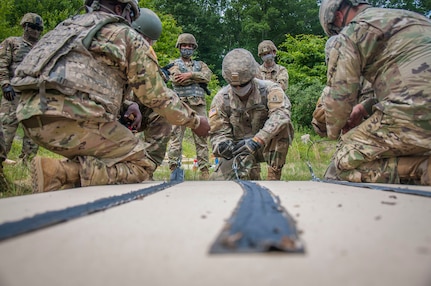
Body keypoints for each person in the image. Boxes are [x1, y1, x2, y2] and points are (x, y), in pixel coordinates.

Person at [11, 0, 210, 193]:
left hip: (29, 117)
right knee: (142, 165)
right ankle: (62, 173)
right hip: (72, 119)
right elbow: (158, 97)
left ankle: (68, 177)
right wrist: (195, 121)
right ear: (121, 9)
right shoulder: (125, 34)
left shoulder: (67, 27)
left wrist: (127, 104)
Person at [318, 0, 431, 185]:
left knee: (342, 161)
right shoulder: (415, 18)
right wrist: (363, 108)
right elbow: (412, 80)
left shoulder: (353, 31)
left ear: (338, 17)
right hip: (416, 110)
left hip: (413, 114)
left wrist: (335, 130)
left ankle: (423, 169)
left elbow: (340, 97)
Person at [209, 48, 294, 180]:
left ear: (253, 76)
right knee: (218, 183)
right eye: (234, 86)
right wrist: (223, 145)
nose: (239, 89)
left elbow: (281, 115)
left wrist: (257, 140)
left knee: (284, 127)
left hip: (263, 145)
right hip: (239, 149)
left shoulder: (270, 89)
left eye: (243, 84)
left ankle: (274, 175)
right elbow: (217, 132)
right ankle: (250, 175)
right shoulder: (221, 99)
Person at [124, 7, 171, 170]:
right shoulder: (115, 48)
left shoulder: (144, 54)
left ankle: (146, 167)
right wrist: (128, 104)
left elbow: (154, 89)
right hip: (113, 109)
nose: (149, 45)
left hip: (134, 108)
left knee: (161, 112)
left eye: (151, 41)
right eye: (145, 39)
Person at [166, 33, 212, 180]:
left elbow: (208, 76)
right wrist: (195, 77)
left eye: (190, 46)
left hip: (198, 105)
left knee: (202, 139)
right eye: (184, 46)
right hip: (180, 105)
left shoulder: (201, 64)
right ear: (179, 47)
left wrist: (190, 75)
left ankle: (204, 171)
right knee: (175, 138)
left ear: (194, 48)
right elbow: (176, 79)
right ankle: (174, 169)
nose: (187, 48)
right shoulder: (173, 64)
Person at [0, 13, 43, 164]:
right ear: (25, 26)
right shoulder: (12, 43)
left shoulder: (43, 48)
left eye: (39, 29)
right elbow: (2, 64)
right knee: (6, 129)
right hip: (13, 93)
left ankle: (27, 164)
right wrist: (5, 84)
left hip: (34, 95)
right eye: (32, 27)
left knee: (33, 134)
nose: (36, 31)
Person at [312, 35, 375, 137]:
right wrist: (321, 121)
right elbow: (322, 133)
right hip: (351, 147)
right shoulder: (329, 91)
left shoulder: (373, 80)